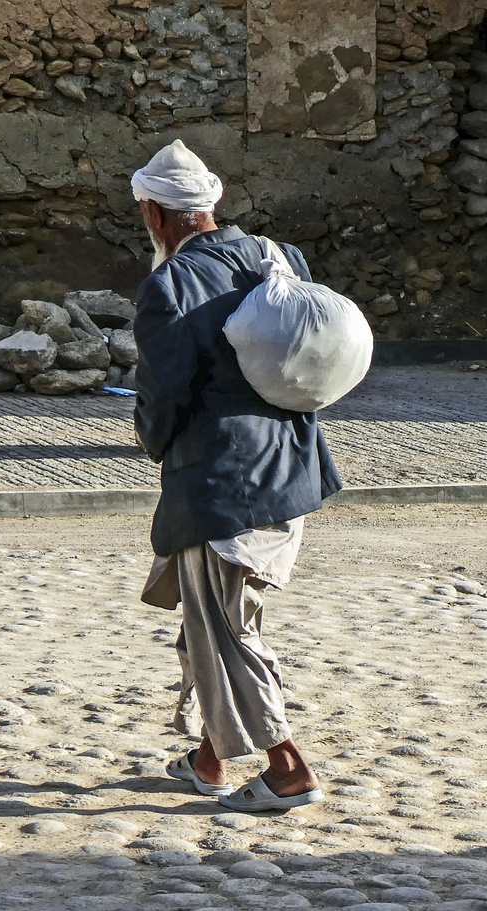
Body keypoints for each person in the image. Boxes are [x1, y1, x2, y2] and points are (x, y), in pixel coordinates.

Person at [131, 140, 340, 812]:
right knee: (215, 619)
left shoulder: (170, 286)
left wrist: (152, 441)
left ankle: (287, 769)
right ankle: (207, 760)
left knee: (228, 629)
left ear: (157, 216)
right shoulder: (278, 257)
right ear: (211, 205)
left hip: (221, 485)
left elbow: (164, 395)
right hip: (290, 470)